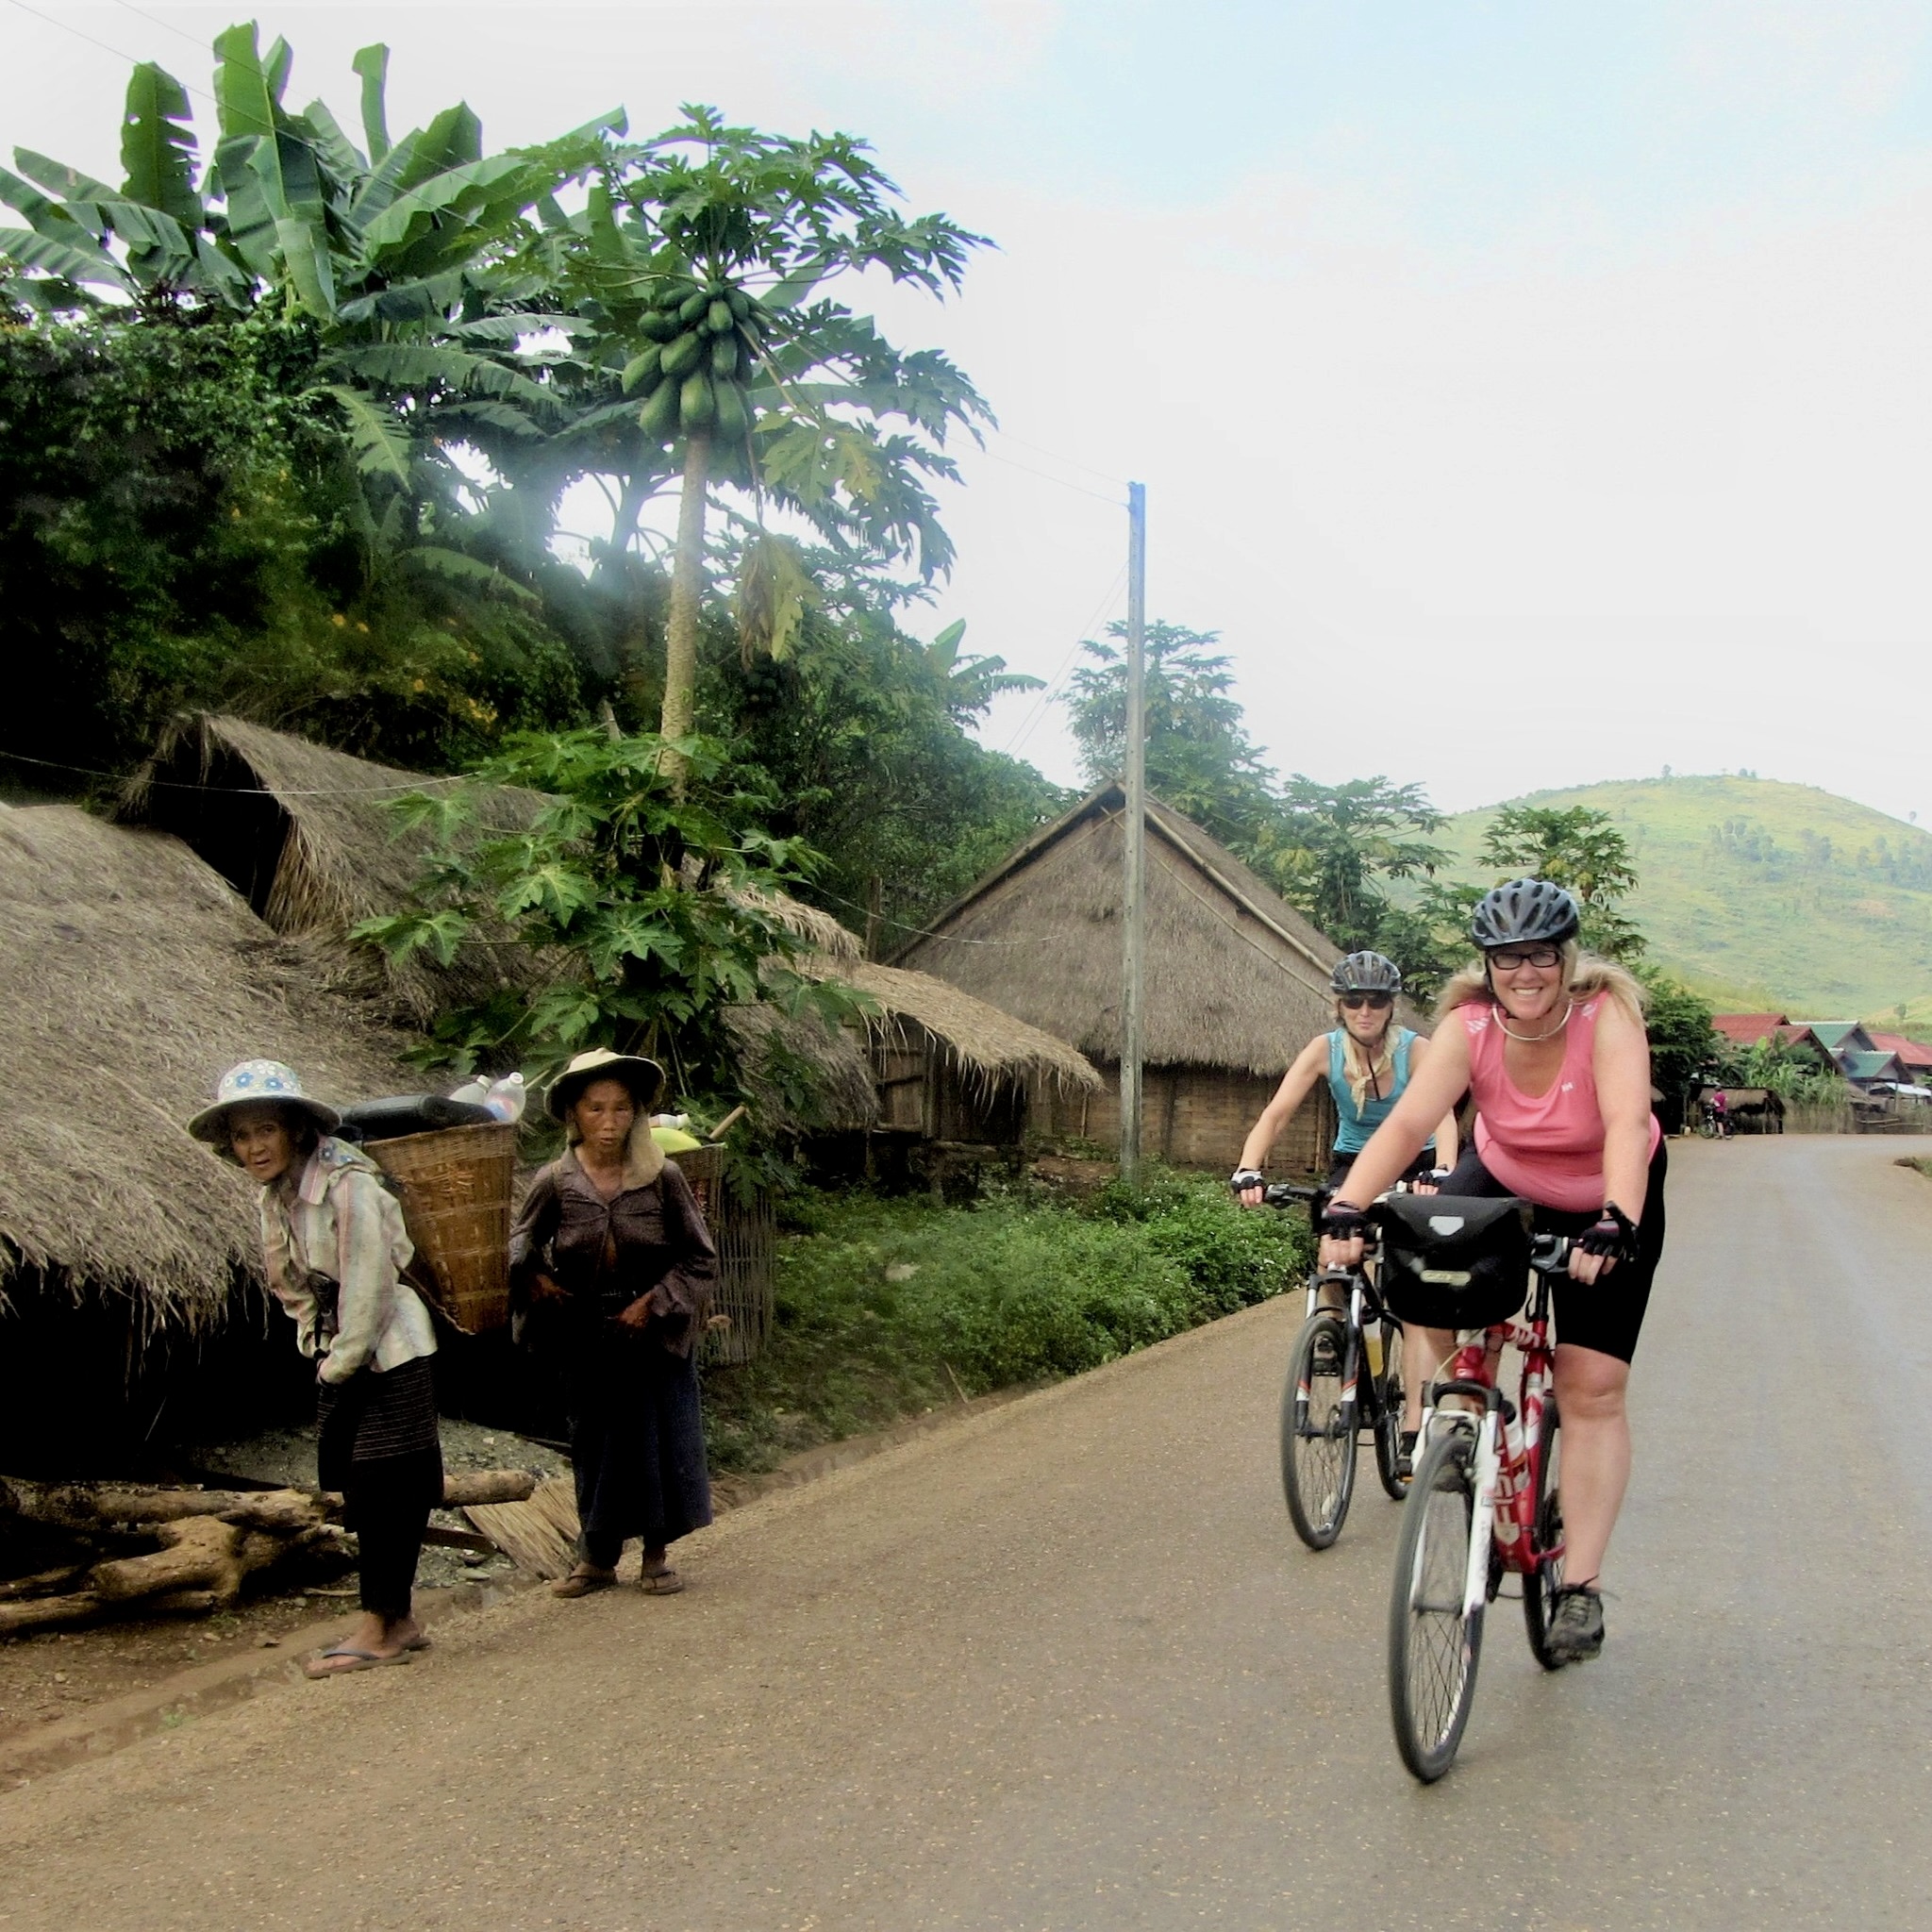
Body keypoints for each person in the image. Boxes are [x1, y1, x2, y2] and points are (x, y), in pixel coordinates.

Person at [1317, 880, 1668, 1665]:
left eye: (1539, 956)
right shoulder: (1468, 1025)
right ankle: (1457, 1415)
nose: (1525, 973)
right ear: (1489, 965)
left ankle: (1579, 1588)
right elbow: (1410, 1120)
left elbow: (1622, 1125)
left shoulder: (1605, 1017)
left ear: (1563, 958)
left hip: (1605, 1193)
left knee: (1590, 1387)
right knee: (1418, 1266)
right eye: (1508, 959)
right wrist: (1348, 1204)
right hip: (1504, 1180)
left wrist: (1616, 1219)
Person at [189, 1059, 441, 1677]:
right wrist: (315, 1341)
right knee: (360, 1488)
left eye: (265, 1130)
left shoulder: (349, 1185)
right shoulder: (276, 1197)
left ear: (296, 1130)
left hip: (391, 1348)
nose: (253, 1146)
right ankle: (396, 1618)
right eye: (242, 1135)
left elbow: (368, 1280)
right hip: (343, 1351)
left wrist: (343, 1360)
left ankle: (382, 1624)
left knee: (388, 1489)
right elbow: (289, 1282)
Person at [1229, 952, 1461, 1454]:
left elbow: (1442, 1116)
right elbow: (1276, 1114)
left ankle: (1414, 1423)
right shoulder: (1323, 1050)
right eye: (1353, 1000)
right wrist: (1248, 1167)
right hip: (1354, 1162)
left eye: (1376, 1000)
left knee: (1413, 1291)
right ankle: (1333, 1330)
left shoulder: (1415, 1051)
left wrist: (1441, 1170)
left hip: (1414, 1161)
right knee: (1332, 1251)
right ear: (1338, 1005)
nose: (1364, 1010)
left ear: (1390, 1006)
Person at [508, 1048, 717, 1598]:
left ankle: (656, 1554)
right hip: (586, 1333)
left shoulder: (663, 1177)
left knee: (657, 1440)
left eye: (621, 1109)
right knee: (594, 1444)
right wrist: (534, 1279)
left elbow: (700, 1259)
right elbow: (516, 1245)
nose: (609, 1122)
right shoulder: (555, 1180)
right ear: (573, 1115)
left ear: (637, 1114)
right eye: (595, 1109)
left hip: (653, 1329)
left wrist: (653, 1303)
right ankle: (597, 1558)